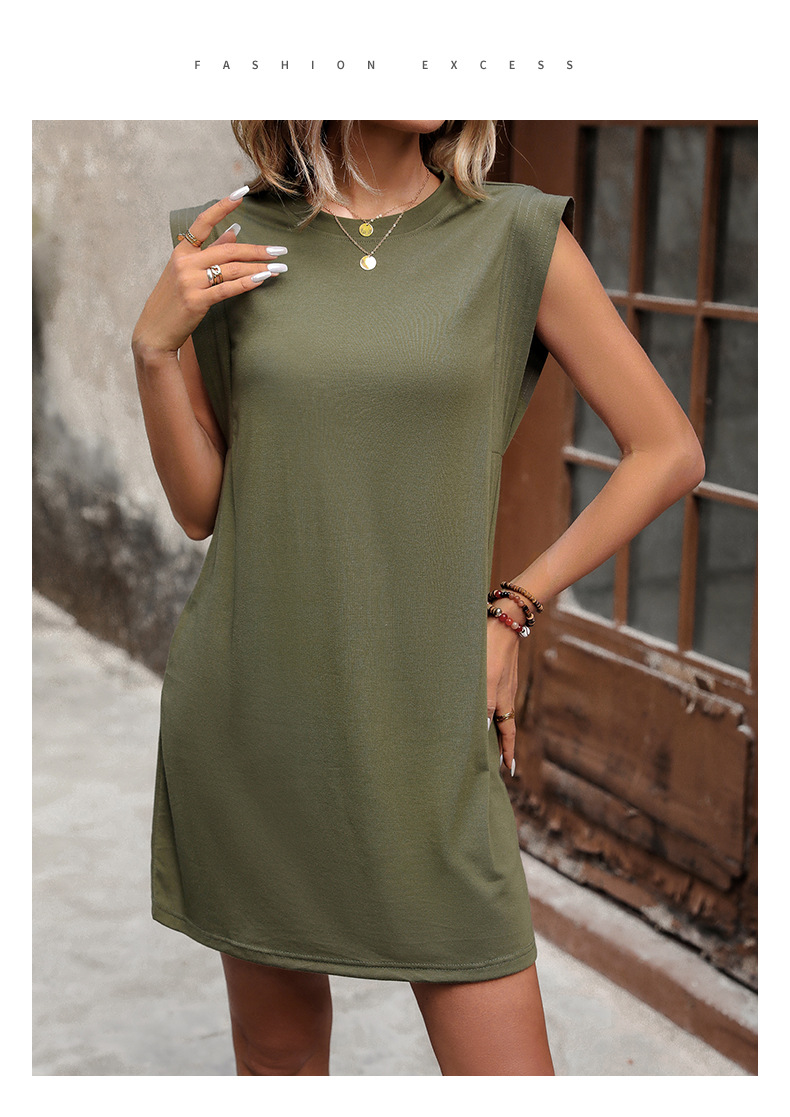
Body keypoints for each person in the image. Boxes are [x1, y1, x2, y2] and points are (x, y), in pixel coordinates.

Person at [131, 120, 705, 1076]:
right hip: (258, 717)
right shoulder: (226, 238)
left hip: (427, 731)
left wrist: (515, 605)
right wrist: (154, 352)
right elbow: (200, 508)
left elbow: (669, 450)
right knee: (277, 1061)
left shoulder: (514, 237)